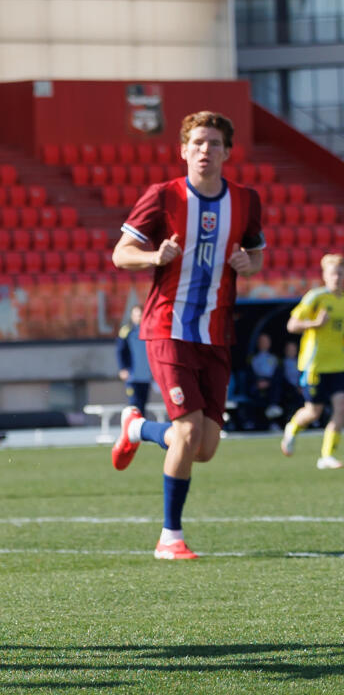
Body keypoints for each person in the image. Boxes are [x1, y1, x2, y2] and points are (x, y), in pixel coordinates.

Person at [110, 111, 264, 560]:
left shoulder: (247, 200)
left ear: (227, 152)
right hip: (167, 327)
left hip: (215, 333)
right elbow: (121, 254)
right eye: (197, 142)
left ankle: (137, 427)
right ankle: (169, 537)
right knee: (188, 428)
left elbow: (255, 255)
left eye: (214, 143)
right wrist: (155, 255)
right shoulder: (162, 196)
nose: (205, 150)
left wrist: (246, 265)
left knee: (205, 447)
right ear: (182, 150)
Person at [280, 253, 344, 469]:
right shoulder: (315, 297)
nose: (337, 278)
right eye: (334, 274)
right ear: (325, 276)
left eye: (341, 274)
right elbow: (292, 325)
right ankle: (292, 429)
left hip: (339, 365)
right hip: (314, 365)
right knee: (313, 411)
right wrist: (315, 324)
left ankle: (326, 456)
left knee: (340, 408)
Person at [116, 304, 152, 415]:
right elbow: (120, 351)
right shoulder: (127, 331)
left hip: (146, 376)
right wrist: (123, 368)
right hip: (133, 376)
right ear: (132, 316)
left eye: (141, 315)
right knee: (135, 406)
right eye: (137, 315)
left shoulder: (150, 331)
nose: (139, 318)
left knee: (143, 406)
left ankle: (140, 431)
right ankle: (133, 430)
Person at [245, 332, 284, 430]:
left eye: (266, 341)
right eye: (261, 341)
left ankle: (273, 420)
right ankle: (253, 422)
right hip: (256, 383)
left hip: (271, 384)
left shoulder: (275, 359)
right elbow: (249, 374)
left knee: (277, 389)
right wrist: (258, 383)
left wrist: (269, 382)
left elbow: (278, 374)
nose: (264, 343)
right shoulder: (252, 359)